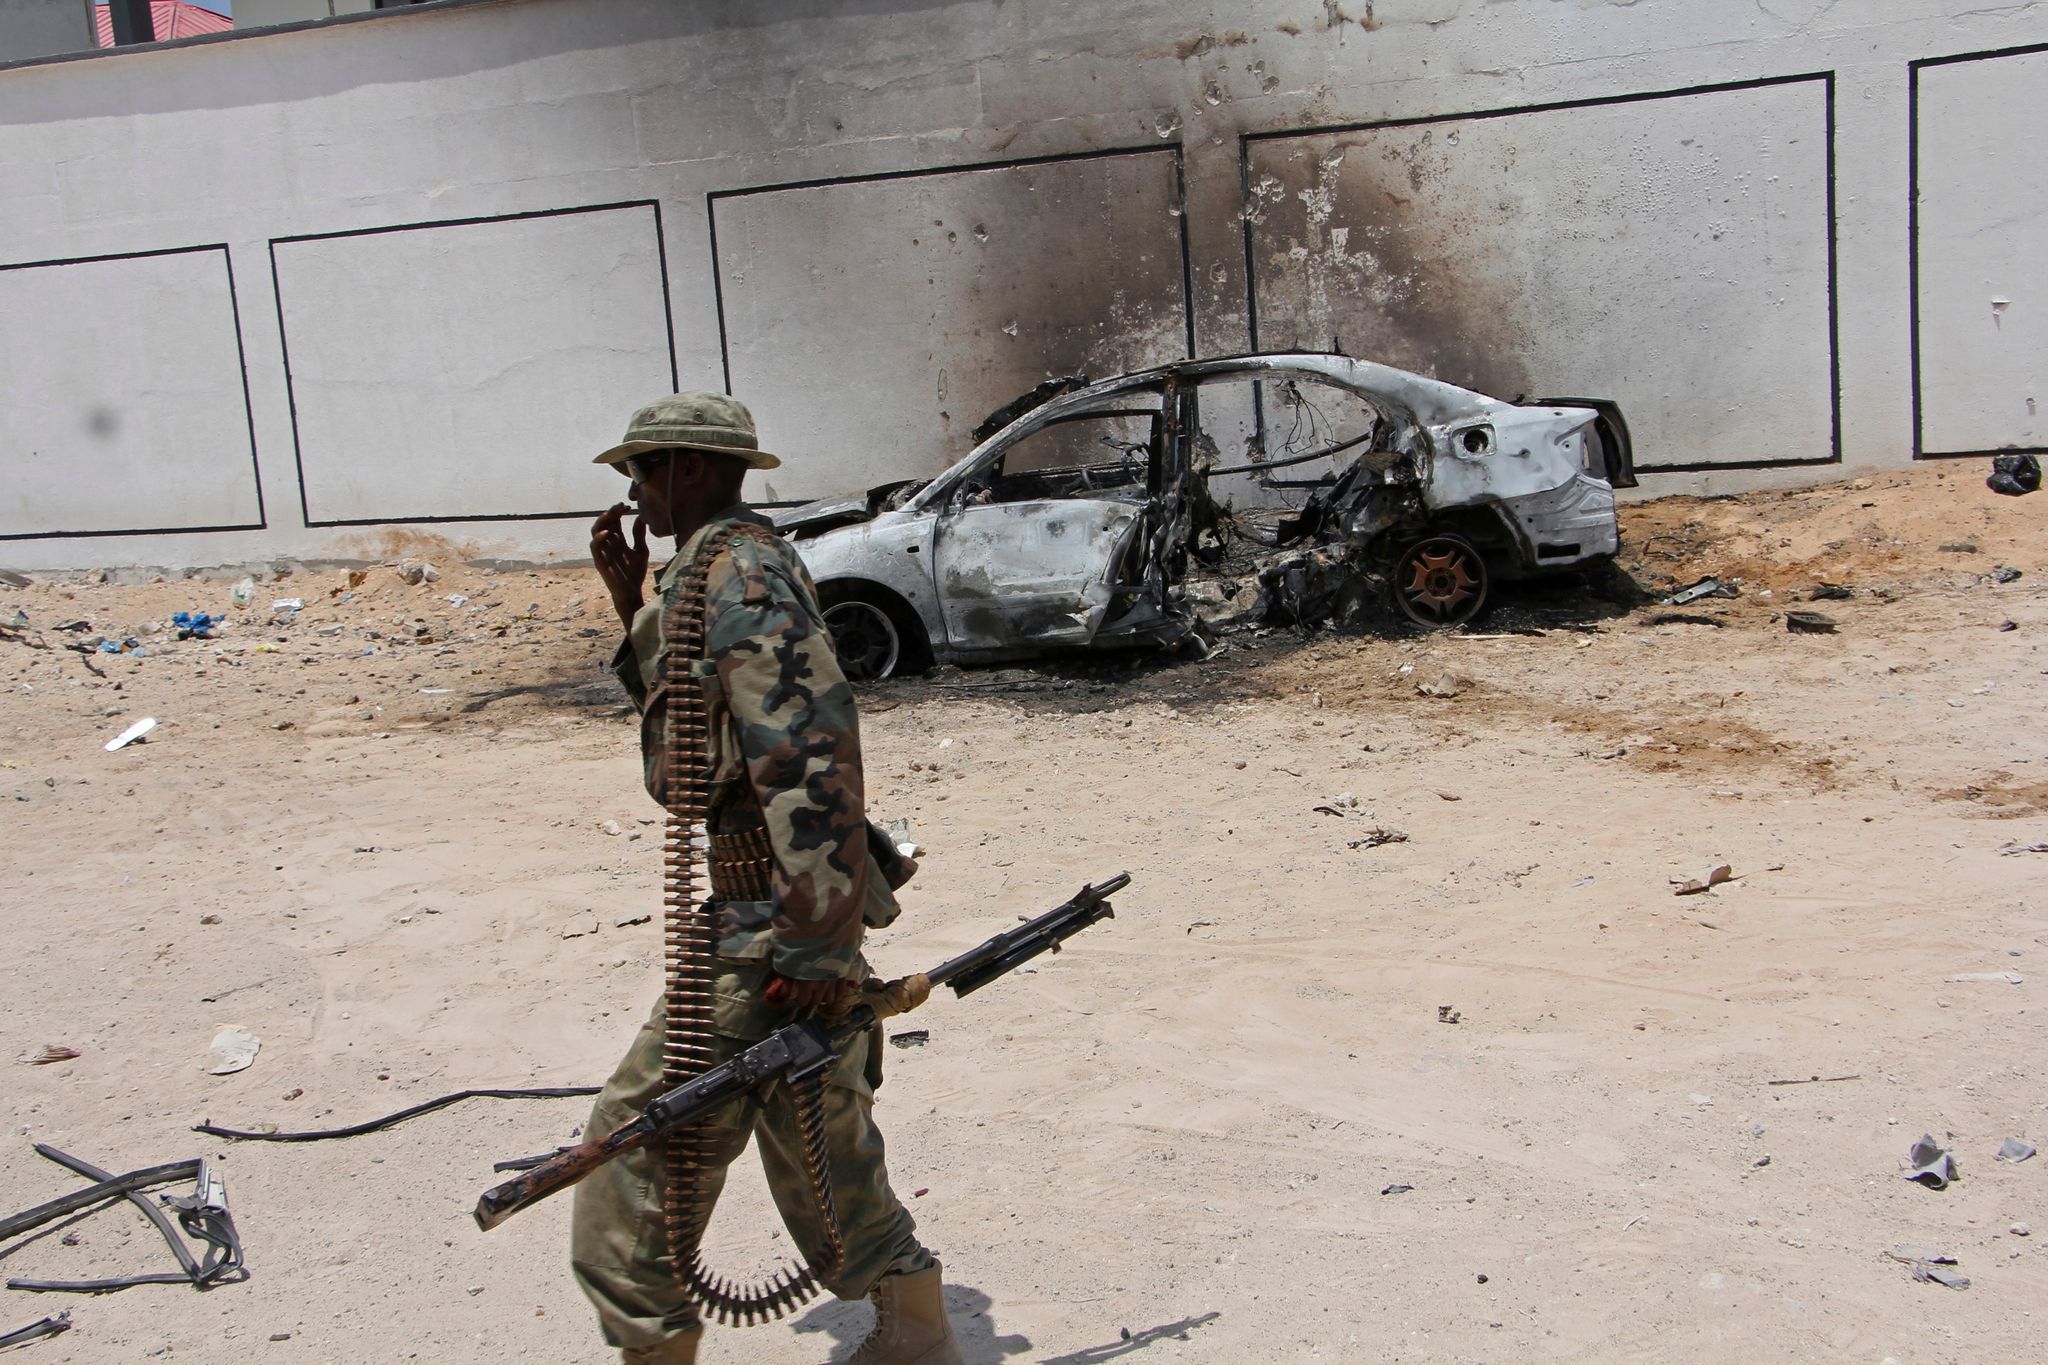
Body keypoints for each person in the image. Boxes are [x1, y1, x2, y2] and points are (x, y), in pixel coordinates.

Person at [571, 393, 964, 1365]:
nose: (633, 491)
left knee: (631, 1165)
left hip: (768, 921)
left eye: (643, 470)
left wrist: (815, 949)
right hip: (774, 912)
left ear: (692, 470)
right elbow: (695, 736)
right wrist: (634, 611)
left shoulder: (738, 570)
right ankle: (915, 1331)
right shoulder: (708, 570)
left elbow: (811, 751)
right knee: (818, 1138)